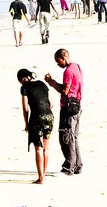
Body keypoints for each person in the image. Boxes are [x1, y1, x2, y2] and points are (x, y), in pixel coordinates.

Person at [44, 48, 83, 176]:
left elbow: (65, 91)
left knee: (66, 137)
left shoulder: (68, 71)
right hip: (77, 104)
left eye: (58, 61)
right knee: (73, 136)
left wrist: (51, 83)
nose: (58, 64)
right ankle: (77, 165)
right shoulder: (77, 67)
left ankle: (68, 167)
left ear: (64, 58)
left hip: (68, 106)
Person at [17, 69, 54, 184]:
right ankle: (44, 175)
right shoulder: (42, 84)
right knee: (46, 148)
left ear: (22, 79)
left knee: (38, 148)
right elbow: (50, 104)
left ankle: (41, 178)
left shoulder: (24, 88)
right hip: (49, 116)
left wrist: (26, 124)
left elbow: (25, 108)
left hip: (36, 118)